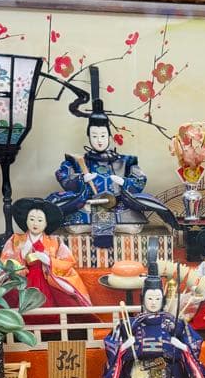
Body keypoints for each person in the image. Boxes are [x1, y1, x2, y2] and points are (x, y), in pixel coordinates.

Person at [46, 67, 177, 247]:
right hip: (87, 206)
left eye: (102, 135)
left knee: (133, 227)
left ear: (109, 136)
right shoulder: (77, 161)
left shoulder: (125, 161)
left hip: (119, 207)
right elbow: (63, 175)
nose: (99, 140)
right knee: (75, 228)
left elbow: (140, 179)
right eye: (94, 136)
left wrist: (123, 182)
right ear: (88, 137)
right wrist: (81, 178)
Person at [102, 238, 205, 378]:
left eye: (157, 298)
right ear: (143, 299)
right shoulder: (131, 323)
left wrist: (182, 347)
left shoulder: (173, 322)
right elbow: (112, 343)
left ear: (163, 299)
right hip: (139, 369)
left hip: (168, 368)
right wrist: (124, 348)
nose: (153, 302)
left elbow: (193, 342)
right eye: (150, 298)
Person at [0, 198, 92, 308]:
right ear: (26, 220)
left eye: (40, 220)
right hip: (23, 281)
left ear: (46, 223)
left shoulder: (55, 241)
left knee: (51, 305)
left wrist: (48, 260)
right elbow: (5, 261)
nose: (35, 223)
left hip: (47, 280)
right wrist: (22, 255)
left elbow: (68, 261)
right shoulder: (15, 239)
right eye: (31, 219)